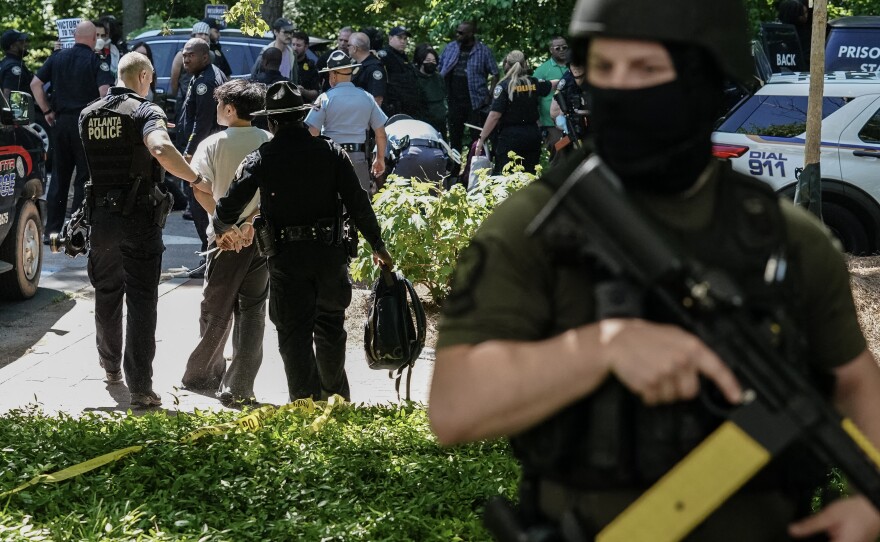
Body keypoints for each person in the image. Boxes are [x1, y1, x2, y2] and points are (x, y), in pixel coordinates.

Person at [428, 0, 880, 540]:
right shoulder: (535, 226)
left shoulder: (787, 238)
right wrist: (603, 348)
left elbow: (855, 384)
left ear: (704, 80)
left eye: (646, 69)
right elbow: (455, 408)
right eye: (604, 68)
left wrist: (873, 507)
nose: (619, 89)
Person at [212, 81, 394, 402]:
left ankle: (304, 407)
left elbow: (228, 205)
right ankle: (336, 403)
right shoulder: (332, 153)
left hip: (287, 261)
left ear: (271, 122)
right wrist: (378, 246)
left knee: (293, 336)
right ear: (301, 117)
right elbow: (359, 203)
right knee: (330, 331)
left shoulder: (261, 159)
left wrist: (223, 229)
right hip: (329, 257)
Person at [78, 51, 204, 408]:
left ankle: (110, 369)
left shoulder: (88, 114)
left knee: (106, 293)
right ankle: (140, 388)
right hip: (139, 218)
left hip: (100, 219)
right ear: (145, 77)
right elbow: (161, 147)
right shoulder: (147, 111)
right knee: (142, 300)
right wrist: (194, 178)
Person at [181, 80, 271, 405]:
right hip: (258, 239)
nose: (216, 109)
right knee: (253, 311)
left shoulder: (212, 143)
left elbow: (199, 188)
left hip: (221, 242)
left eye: (219, 104)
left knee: (215, 309)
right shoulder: (269, 142)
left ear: (230, 109)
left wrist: (224, 227)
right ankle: (241, 386)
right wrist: (249, 223)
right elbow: (276, 195)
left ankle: (206, 375)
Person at [31, 21, 113, 241]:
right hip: (85, 123)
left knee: (59, 177)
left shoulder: (57, 58)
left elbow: (35, 84)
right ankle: (77, 231)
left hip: (60, 123)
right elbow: (105, 94)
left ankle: (51, 231)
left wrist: (47, 110)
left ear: (75, 36)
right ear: (94, 38)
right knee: (83, 178)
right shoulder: (97, 61)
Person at [177, 37, 228, 276]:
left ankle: (212, 258)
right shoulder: (202, 75)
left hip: (203, 155)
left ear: (204, 57)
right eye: (184, 55)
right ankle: (209, 255)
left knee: (199, 204)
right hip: (208, 151)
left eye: (191, 55)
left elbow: (203, 123)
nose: (185, 59)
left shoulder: (205, 82)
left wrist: (188, 152)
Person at [305, 50, 388, 192]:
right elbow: (381, 134)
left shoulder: (324, 98)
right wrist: (380, 159)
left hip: (331, 158)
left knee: (331, 203)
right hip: (358, 159)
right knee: (359, 205)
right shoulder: (367, 97)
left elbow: (312, 132)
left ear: (333, 75)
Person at [474, 50, 555, 174]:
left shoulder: (503, 86)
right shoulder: (533, 83)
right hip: (532, 135)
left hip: (510, 137)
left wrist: (482, 138)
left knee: (508, 177)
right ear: (525, 64)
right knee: (530, 175)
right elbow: (553, 84)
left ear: (506, 64)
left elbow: (494, 115)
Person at [438, 21, 498, 153]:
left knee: (476, 136)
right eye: (457, 31)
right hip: (454, 100)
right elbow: (439, 68)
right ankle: (454, 168)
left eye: (461, 33)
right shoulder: (451, 47)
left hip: (475, 102)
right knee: (454, 136)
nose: (457, 35)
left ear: (471, 34)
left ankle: (476, 167)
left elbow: (495, 73)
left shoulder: (483, 51)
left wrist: (490, 95)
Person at [533, 36, 569, 151]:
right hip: (551, 125)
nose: (562, 50)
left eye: (564, 47)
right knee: (558, 154)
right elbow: (533, 98)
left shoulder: (574, 66)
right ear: (551, 50)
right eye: (558, 48)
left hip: (573, 121)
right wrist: (539, 124)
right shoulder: (542, 70)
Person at [377, 26, 421, 117]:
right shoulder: (385, 55)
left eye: (405, 38)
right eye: (399, 38)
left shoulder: (402, 56)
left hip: (408, 107)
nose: (403, 41)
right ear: (390, 38)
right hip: (394, 108)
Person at [549, 59, 589, 158]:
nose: (576, 67)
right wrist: (562, 122)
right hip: (573, 126)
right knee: (561, 149)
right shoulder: (565, 81)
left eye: (579, 63)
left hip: (595, 127)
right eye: (573, 64)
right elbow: (554, 111)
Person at [169, 23, 212, 114]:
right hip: (184, 99)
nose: (203, 37)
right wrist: (177, 95)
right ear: (193, 36)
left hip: (205, 100)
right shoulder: (181, 55)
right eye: (200, 34)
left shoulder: (211, 55)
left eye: (206, 34)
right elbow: (174, 79)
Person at [413, 44, 446, 138]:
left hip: (440, 122)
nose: (431, 63)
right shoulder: (414, 78)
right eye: (427, 60)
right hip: (423, 122)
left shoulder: (439, 78)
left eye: (433, 61)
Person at [251, 18, 299, 83]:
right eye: (286, 32)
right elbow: (254, 76)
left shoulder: (292, 54)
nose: (289, 35)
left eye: (291, 32)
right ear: (276, 32)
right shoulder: (266, 53)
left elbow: (295, 79)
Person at [349, 31, 386, 106]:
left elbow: (377, 100)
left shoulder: (374, 68)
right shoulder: (357, 65)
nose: (347, 48)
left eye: (348, 45)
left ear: (354, 48)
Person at [316, 26, 352, 92]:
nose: (343, 43)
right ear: (337, 39)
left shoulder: (354, 58)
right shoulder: (325, 57)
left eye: (346, 41)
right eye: (341, 40)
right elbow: (317, 80)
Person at [0, 30, 33, 100]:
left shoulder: (4, 63)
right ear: (12, 47)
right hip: (20, 110)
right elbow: (8, 96)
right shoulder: (13, 67)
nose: (26, 44)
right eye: (21, 42)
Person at [291, 31, 320, 101]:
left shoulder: (311, 67)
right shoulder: (285, 62)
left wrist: (303, 91)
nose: (295, 48)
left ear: (306, 47)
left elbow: (316, 93)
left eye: (298, 45)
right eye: (293, 44)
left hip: (303, 108)